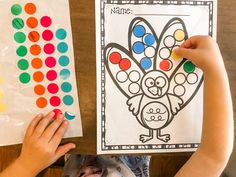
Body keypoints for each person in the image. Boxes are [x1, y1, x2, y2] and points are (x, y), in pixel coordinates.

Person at [0, 36, 234, 177]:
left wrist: (27, 164)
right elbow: (212, 157)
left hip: (70, 141)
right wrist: (214, 69)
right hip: (132, 141)